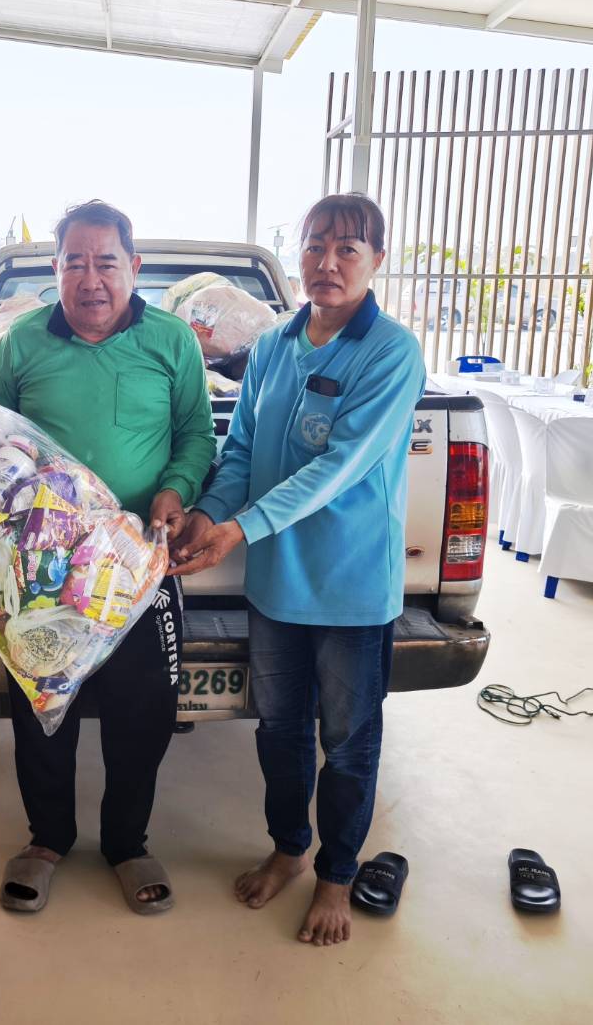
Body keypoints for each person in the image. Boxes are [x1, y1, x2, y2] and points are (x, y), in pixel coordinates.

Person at [171, 192, 424, 947]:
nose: (327, 263)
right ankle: (288, 846)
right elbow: (242, 449)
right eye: (315, 246)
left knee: (346, 739)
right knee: (279, 729)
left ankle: (337, 875)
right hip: (275, 585)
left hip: (348, 589)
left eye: (348, 248)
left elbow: (340, 468)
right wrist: (209, 514)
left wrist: (238, 527)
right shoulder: (277, 346)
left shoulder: (390, 352)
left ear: (377, 259)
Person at [0, 200, 215, 915]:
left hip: (137, 562)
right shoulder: (20, 345)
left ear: (133, 268)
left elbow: (196, 435)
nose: (91, 278)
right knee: (41, 704)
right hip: (42, 565)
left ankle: (127, 843)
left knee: (146, 709)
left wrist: (174, 490)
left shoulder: (170, 341)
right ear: (56, 269)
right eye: (75, 262)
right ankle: (46, 839)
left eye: (106, 262)